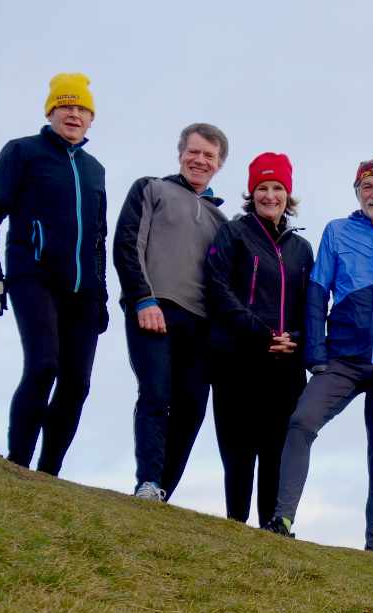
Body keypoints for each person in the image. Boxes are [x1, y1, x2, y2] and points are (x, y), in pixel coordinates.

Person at [266, 157, 373, 548]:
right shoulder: (338, 232)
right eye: (367, 187)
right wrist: (315, 351)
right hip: (342, 359)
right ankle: (283, 517)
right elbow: (316, 294)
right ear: (357, 192)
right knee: (302, 422)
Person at [0, 73, 108, 476]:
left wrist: (100, 294)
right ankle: (17, 464)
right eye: (66, 105)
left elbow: (98, 237)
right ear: (50, 111)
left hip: (83, 291)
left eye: (82, 108)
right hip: (33, 276)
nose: (74, 113)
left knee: (77, 384)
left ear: (91, 119)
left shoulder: (94, 169)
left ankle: (48, 474)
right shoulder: (22, 152)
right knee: (44, 365)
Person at [114, 123, 229, 502]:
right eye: (193, 152)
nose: (199, 160)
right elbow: (128, 243)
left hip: (200, 326)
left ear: (219, 164)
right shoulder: (151, 188)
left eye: (208, 156)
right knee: (156, 393)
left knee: (193, 406)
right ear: (181, 153)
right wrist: (142, 298)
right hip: (154, 309)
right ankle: (147, 481)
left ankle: (162, 491)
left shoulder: (222, 222)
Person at [204, 153, 313, 530]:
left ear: (288, 194)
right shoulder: (234, 233)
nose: (270, 195)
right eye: (262, 188)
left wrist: (295, 339)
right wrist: (260, 334)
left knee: (276, 448)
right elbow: (217, 288)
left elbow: (310, 306)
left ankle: (271, 529)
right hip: (238, 357)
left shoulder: (302, 249)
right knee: (238, 447)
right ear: (252, 193)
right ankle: (235, 523)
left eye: (277, 188)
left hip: (286, 364)